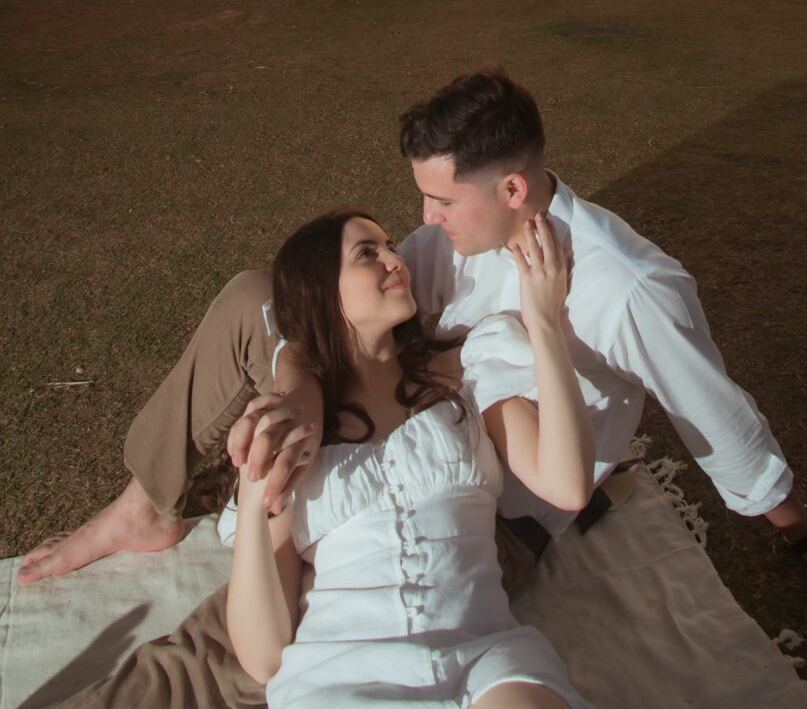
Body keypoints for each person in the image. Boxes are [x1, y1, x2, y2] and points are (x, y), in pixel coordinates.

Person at [19, 68, 807, 709]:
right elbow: (322, 304)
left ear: (514, 188)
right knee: (255, 295)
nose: (425, 223)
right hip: (405, 417)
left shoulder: (625, 289)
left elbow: (716, 417)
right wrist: (297, 384)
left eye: (440, 202)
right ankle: (148, 503)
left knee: (219, 655)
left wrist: (802, 533)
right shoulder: (452, 251)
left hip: (500, 496)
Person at [224, 204, 593, 709]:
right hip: (342, 673)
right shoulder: (298, 433)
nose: (395, 260)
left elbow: (567, 483)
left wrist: (544, 322)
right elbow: (264, 655)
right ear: (322, 292)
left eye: (391, 247)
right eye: (366, 253)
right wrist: (251, 489)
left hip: (484, 657)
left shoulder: (465, 371)